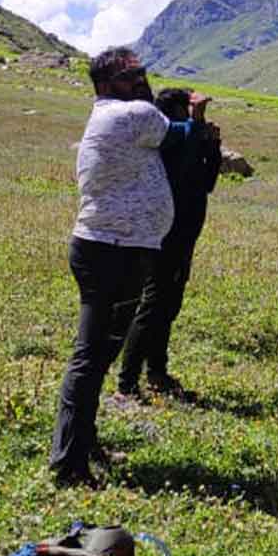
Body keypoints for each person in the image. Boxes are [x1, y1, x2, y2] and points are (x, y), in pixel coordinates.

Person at [51, 48, 204, 488]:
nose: (139, 80)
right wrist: (195, 116)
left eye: (142, 72)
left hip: (116, 247)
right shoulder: (135, 114)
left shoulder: (114, 114)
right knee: (90, 357)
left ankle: (84, 443)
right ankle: (68, 463)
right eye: (129, 75)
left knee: (99, 356)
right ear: (105, 84)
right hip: (112, 251)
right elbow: (182, 135)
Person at [117, 88, 223, 398]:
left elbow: (207, 182)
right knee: (154, 304)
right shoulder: (167, 143)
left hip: (184, 235)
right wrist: (197, 123)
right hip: (165, 234)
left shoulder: (188, 139)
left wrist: (213, 146)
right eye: (184, 111)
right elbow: (184, 166)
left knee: (168, 305)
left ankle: (156, 371)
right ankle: (127, 382)